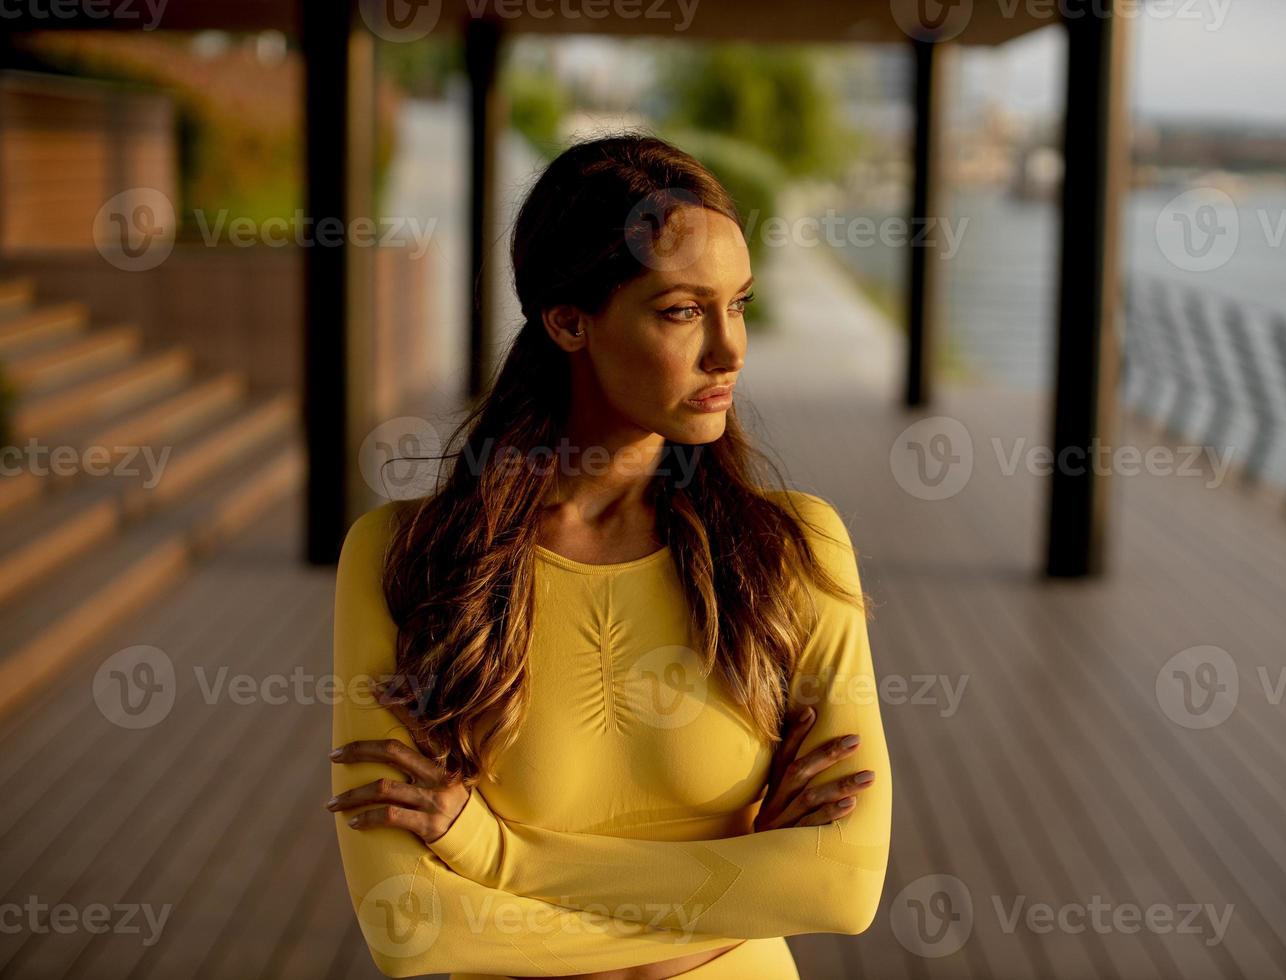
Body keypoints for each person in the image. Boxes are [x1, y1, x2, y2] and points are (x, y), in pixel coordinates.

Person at [327, 133, 892, 980]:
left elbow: (842, 886)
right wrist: (745, 887)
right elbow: (407, 927)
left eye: (738, 304)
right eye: (681, 312)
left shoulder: (793, 550)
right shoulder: (408, 560)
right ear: (568, 320)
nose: (730, 350)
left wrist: (494, 855)